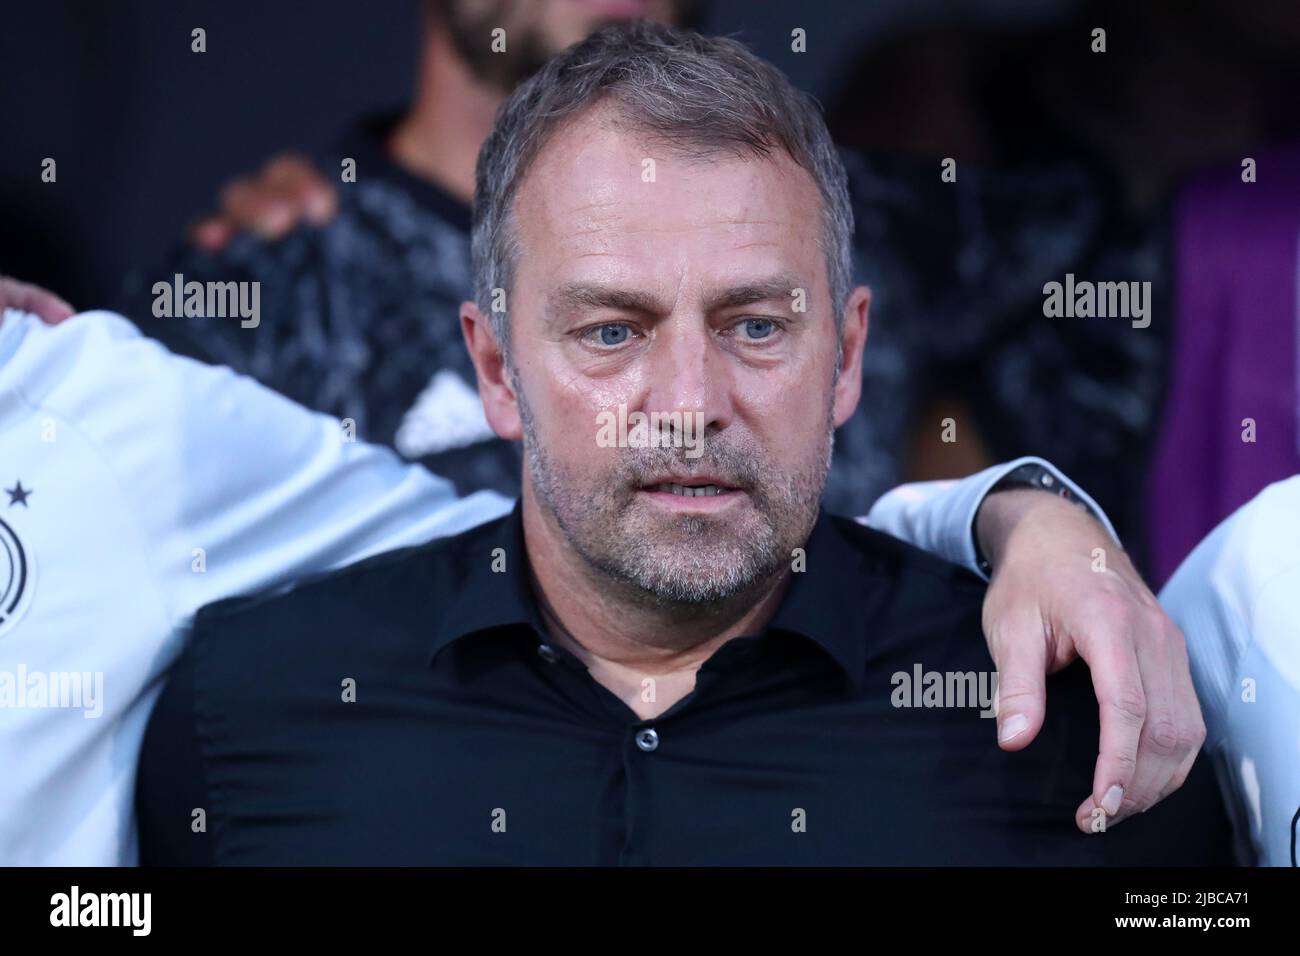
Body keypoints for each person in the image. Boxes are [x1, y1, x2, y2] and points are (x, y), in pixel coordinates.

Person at [131, 23, 1226, 865]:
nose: (690, 402)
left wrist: (1034, 512)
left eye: (756, 325)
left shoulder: (1081, 740)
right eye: (612, 330)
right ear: (499, 369)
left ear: (847, 357)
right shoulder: (245, 721)